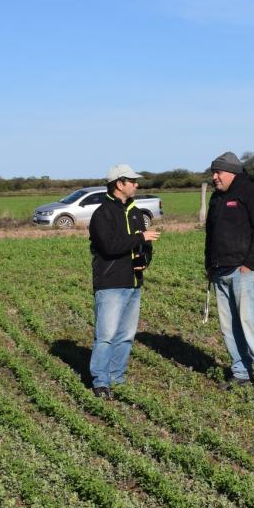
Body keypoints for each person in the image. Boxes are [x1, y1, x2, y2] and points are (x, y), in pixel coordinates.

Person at [204, 151, 254, 391]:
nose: (214, 177)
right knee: (228, 326)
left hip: (243, 271)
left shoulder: (252, 193)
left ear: (232, 172)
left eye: (218, 172)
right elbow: (210, 235)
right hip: (219, 270)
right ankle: (241, 372)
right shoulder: (217, 198)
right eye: (213, 172)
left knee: (249, 321)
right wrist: (209, 264)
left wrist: (250, 264)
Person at [88, 164, 159, 399]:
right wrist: (139, 237)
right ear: (119, 184)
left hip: (133, 282)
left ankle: (117, 378)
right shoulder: (102, 214)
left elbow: (145, 244)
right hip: (110, 283)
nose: (136, 185)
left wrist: (144, 260)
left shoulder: (135, 212)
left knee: (126, 336)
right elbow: (109, 246)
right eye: (132, 181)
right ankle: (101, 381)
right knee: (106, 336)